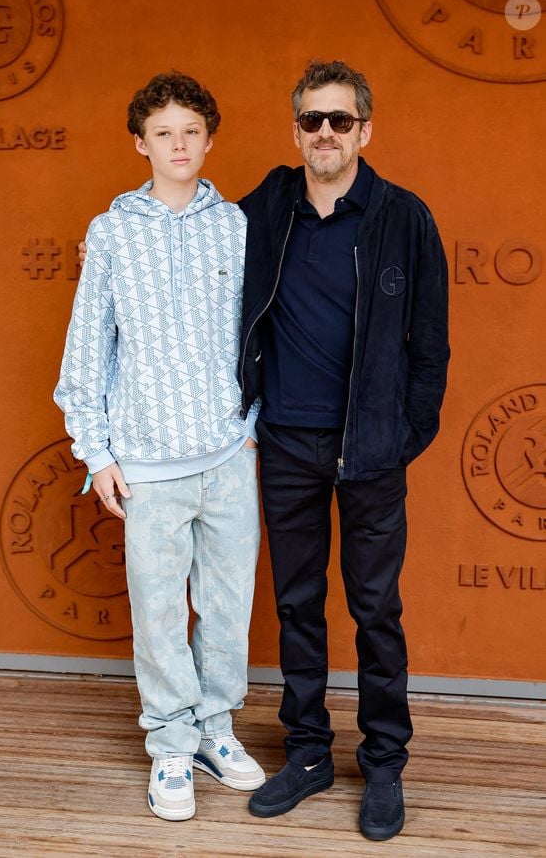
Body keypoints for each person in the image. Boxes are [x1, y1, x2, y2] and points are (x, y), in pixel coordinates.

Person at [237, 60, 449, 841]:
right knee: (296, 604)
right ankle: (308, 751)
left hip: (370, 449)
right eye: (312, 120)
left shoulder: (403, 217)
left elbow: (431, 345)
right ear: (296, 131)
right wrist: (108, 257)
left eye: (341, 120)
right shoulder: (268, 207)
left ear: (366, 129)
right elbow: (191, 248)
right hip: (287, 438)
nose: (325, 133)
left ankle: (384, 761)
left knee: (374, 608)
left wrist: (400, 438)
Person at [54, 71, 264, 823]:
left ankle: (215, 728)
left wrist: (251, 426)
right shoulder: (111, 233)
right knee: (158, 608)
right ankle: (170, 742)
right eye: (163, 132)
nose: (178, 144)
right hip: (146, 461)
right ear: (140, 143)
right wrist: (97, 453)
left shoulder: (238, 226)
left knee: (228, 604)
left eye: (191, 131)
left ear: (210, 139)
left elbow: (261, 329)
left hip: (228, 452)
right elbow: (88, 347)